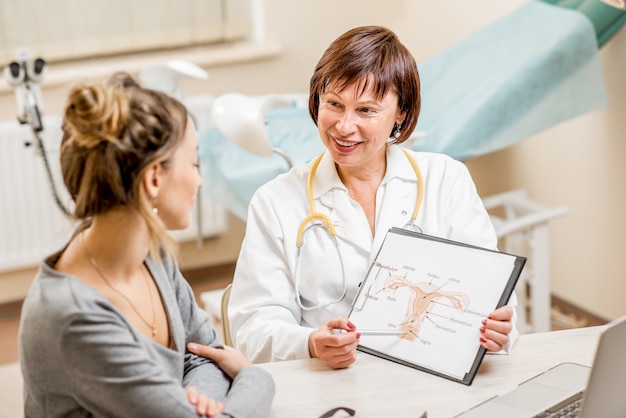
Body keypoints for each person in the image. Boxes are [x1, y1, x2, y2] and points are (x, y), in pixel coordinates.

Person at [228, 25, 519, 369]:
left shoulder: (446, 180)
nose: (344, 126)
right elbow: (252, 328)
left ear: (401, 114)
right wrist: (310, 342)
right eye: (334, 104)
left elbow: (491, 294)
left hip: (429, 377)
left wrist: (500, 327)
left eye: (366, 110)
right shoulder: (275, 202)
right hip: (327, 384)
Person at [18, 72, 274, 417]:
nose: (199, 180)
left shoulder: (150, 253)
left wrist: (193, 401)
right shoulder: (74, 318)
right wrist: (253, 375)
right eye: (194, 162)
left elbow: (204, 352)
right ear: (154, 178)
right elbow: (226, 366)